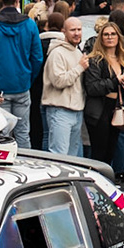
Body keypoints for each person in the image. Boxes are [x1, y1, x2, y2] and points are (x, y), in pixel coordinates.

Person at [0, 0, 43, 148]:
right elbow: (37, 58)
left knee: (1, 135)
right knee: (23, 133)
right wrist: (28, 77)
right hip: (21, 85)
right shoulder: (30, 25)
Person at [84, 19, 124, 176]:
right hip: (99, 111)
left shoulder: (123, 60)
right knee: (99, 154)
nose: (110, 37)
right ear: (101, 38)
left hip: (115, 108)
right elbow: (92, 88)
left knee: (111, 151)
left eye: (113, 34)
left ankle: (106, 183)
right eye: (106, 34)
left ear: (118, 37)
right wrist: (115, 81)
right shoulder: (95, 60)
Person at [41, 16, 88, 157]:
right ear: (64, 32)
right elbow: (59, 81)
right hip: (60, 110)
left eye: (79, 29)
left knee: (72, 158)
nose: (77, 33)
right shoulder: (57, 53)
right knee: (59, 156)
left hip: (77, 110)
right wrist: (80, 68)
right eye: (72, 30)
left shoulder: (78, 52)